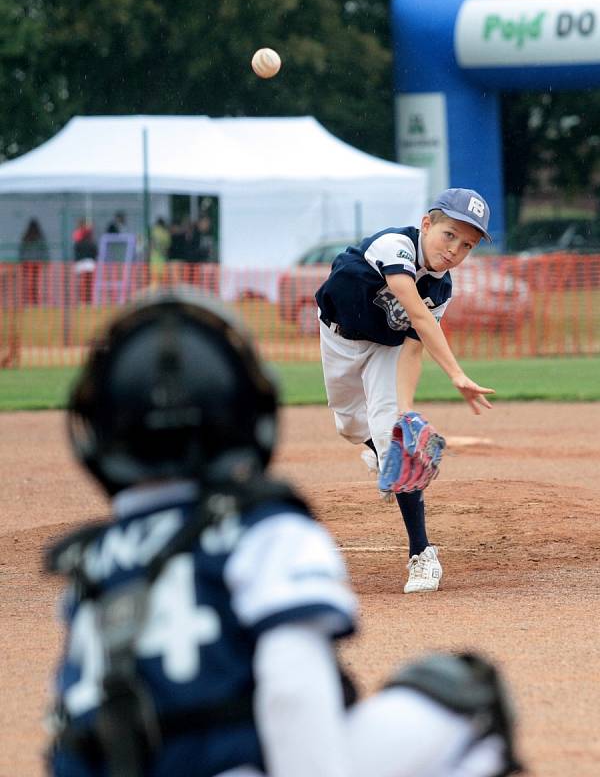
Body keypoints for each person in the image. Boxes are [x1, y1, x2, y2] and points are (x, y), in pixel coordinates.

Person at [44, 287, 521, 777]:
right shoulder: (266, 530)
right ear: (252, 414)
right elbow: (293, 694)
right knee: (464, 694)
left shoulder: (89, 566)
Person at [315, 188, 496, 594]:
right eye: (449, 235)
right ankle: (379, 454)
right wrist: (456, 374)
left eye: (466, 245)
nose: (454, 250)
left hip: (386, 348)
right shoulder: (394, 246)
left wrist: (404, 415)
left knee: (391, 432)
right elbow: (413, 309)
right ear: (427, 224)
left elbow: (413, 349)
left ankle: (422, 553)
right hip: (338, 337)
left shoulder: (441, 290)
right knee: (347, 425)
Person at [19, 217, 49, 305]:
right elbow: (44, 250)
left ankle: (27, 300)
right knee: (34, 282)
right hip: (36, 262)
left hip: (26, 262)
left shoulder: (25, 237)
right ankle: (34, 300)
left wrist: (21, 260)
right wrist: (45, 260)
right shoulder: (40, 237)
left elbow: (21, 250)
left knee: (27, 281)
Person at [72, 218, 97, 304]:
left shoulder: (79, 241)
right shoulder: (90, 242)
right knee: (87, 284)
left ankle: (82, 300)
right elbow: (95, 252)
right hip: (88, 263)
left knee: (82, 284)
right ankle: (87, 300)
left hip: (81, 263)